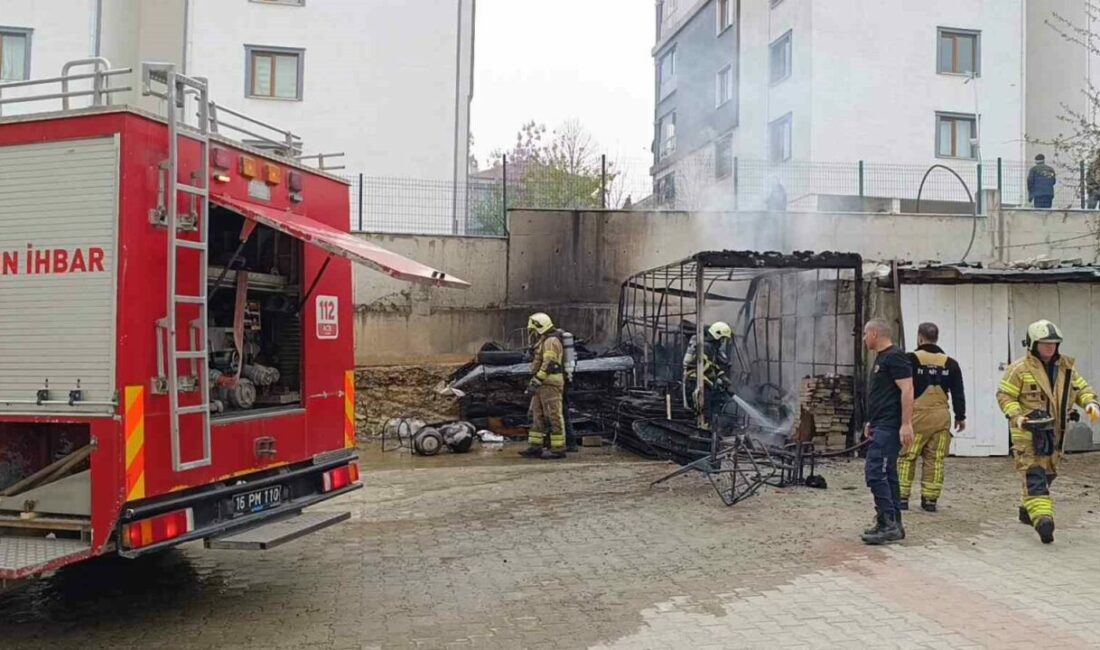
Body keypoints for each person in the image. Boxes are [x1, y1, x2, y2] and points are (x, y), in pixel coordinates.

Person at [995, 320, 1099, 544]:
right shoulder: (1019, 369)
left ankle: (1027, 510)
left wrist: (1091, 404)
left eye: (1054, 343)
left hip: (1055, 434)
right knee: (1035, 475)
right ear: (1033, 344)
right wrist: (1017, 416)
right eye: (1045, 343)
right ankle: (1044, 520)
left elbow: (1081, 389)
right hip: (1028, 434)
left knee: (1049, 473)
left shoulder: (1066, 368)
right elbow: (1005, 395)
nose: (1050, 347)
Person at [898, 322, 966, 513]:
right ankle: (930, 500)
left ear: (920, 338)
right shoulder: (951, 363)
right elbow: (958, 392)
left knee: (907, 457)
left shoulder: (909, 359)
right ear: (936, 338)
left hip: (916, 417)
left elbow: (900, 389)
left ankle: (901, 498)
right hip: (941, 418)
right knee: (935, 460)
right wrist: (960, 416)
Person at [860, 318, 915, 545]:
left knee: (875, 472)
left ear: (874, 333)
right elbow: (882, 394)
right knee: (888, 473)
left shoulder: (895, 357)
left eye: (865, 334)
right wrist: (870, 421)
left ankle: (888, 523)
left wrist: (906, 423)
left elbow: (907, 390)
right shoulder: (882, 358)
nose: (864, 338)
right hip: (880, 424)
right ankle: (893, 523)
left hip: (890, 426)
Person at [519, 312, 567, 460]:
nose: (532, 334)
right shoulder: (543, 340)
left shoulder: (551, 341)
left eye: (533, 330)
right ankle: (535, 446)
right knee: (536, 415)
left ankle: (558, 449)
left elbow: (549, 364)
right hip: (542, 383)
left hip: (550, 383)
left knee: (553, 415)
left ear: (539, 327)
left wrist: (536, 381)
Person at [682, 321, 733, 428]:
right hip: (697, 381)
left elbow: (713, 365)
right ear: (717, 335)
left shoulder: (712, 348)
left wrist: (723, 377)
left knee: (706, 409)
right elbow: (705, 366)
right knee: (704, 410)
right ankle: (702, 430)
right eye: (723, 338)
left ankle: (705, 428)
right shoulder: (706, 347)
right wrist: (718, 378)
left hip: (704, 382)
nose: (723, 341)